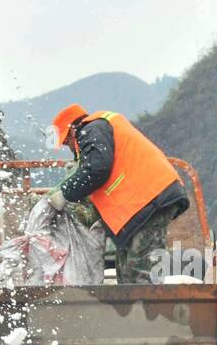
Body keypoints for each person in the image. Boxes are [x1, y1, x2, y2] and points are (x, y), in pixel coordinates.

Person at [46, 105, 189, 283]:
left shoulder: (91, 130)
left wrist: (65, 193)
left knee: (139, 274)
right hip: (139, 206)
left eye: (67, 141)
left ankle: (147, 309)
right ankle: (133, 308)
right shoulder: (98, 132)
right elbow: (101, 177)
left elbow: (97, 170)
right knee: (128, 276)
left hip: (150, 199)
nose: (69, 147)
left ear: (73, 130)